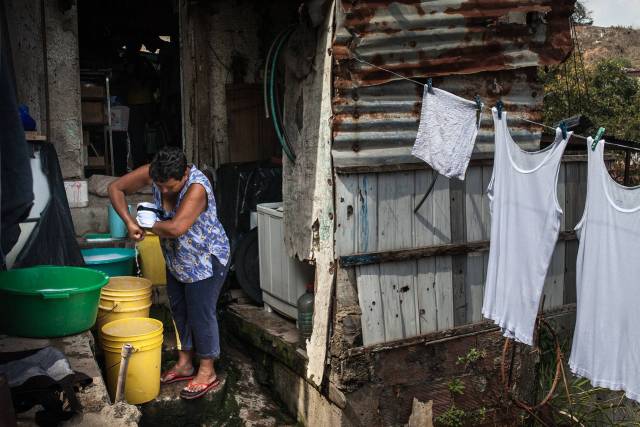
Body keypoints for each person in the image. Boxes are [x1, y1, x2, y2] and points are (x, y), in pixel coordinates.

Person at [108, 146, 230, 400]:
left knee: (200, 313)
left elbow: (176, 228)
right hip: (177, 258)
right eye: (159, 185)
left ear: (184, 173)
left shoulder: (197, 187)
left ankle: (207, 371)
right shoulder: (154, 173)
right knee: (179, 309)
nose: (163, 191)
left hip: (206, 259)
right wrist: (129, 222)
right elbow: (115, 188)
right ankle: (185, 363)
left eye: (170, 187)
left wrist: (146, 224)